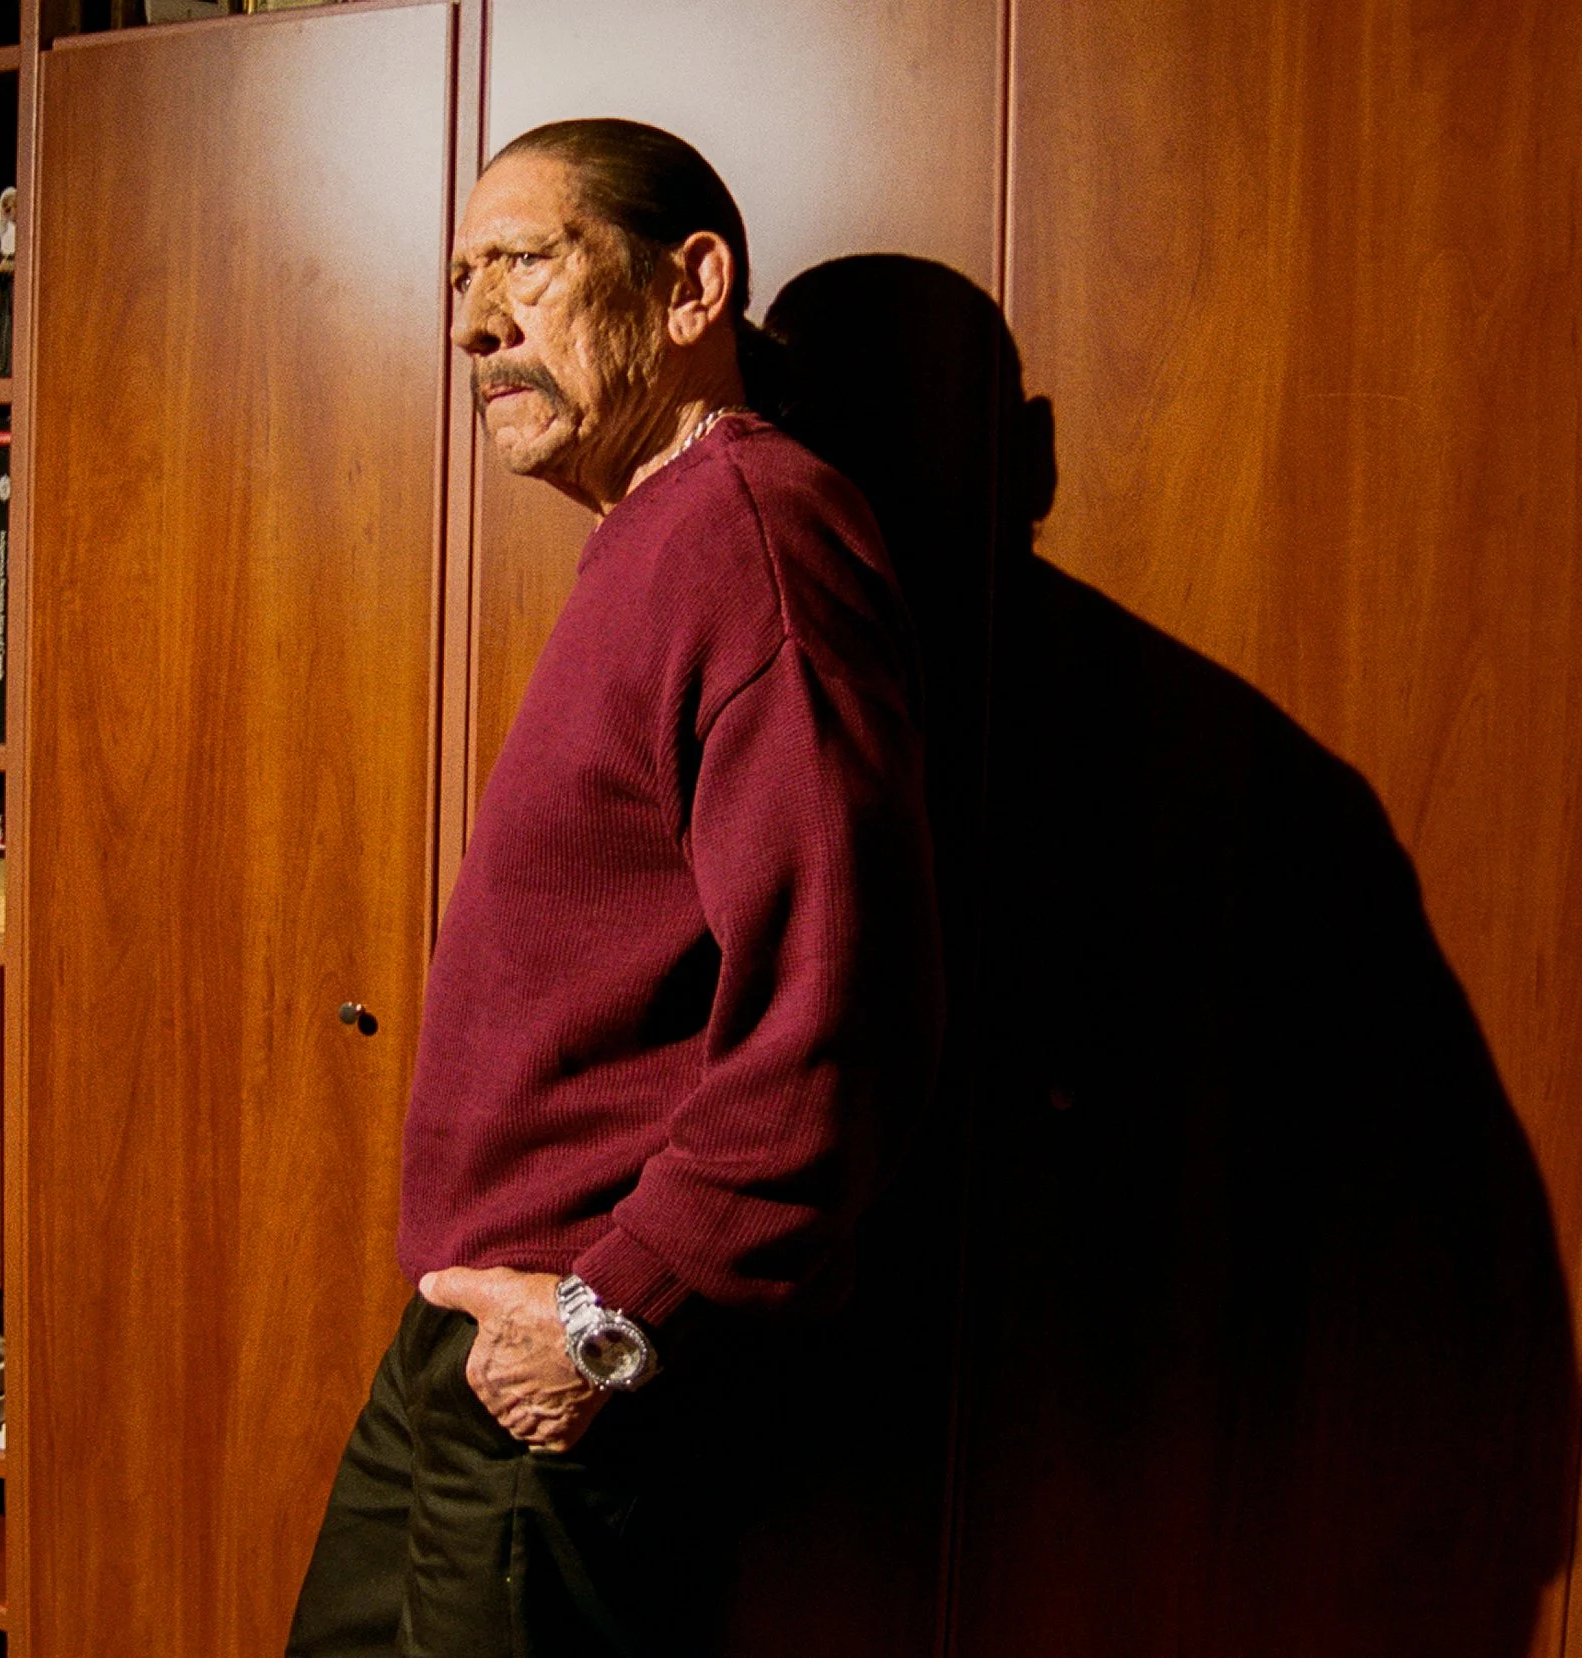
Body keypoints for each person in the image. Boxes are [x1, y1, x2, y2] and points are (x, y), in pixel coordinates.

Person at [285, 118, 943, 1658]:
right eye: (460, 280)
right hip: (482, 1330)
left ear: (691, 286)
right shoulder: (661, 536)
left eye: (522, 262)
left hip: (581, 1351)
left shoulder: (752, 537)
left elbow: (844, 1014)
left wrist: (610, 1313)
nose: (473, 323)